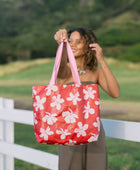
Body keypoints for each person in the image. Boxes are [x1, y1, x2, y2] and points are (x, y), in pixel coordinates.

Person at [54, 27, 120, 170]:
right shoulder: (64, 69)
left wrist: (101, 60)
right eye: (70, 41)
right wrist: (61, 45)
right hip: (69, 130)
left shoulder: (95, 72)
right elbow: (59, 69)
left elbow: (115, 93)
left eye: (78, 42)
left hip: (93, 129)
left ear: (88, 45)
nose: (73, 45)